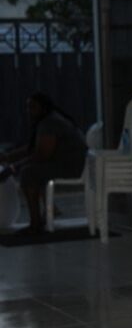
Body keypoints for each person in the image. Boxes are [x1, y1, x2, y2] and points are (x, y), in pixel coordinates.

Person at [0, 92, 87, 234]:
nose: (29, 111)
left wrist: (13, 167)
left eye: (33, 107)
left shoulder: (49, 123)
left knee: (29, 173)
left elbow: (41, 155)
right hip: (70, 163)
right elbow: (34, 149)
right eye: (28, 107)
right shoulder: (49, 120)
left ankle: (36, 223)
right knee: (32, 170)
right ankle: (48, 211)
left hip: (72, 166)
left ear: (43, 108)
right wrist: (7, 157)